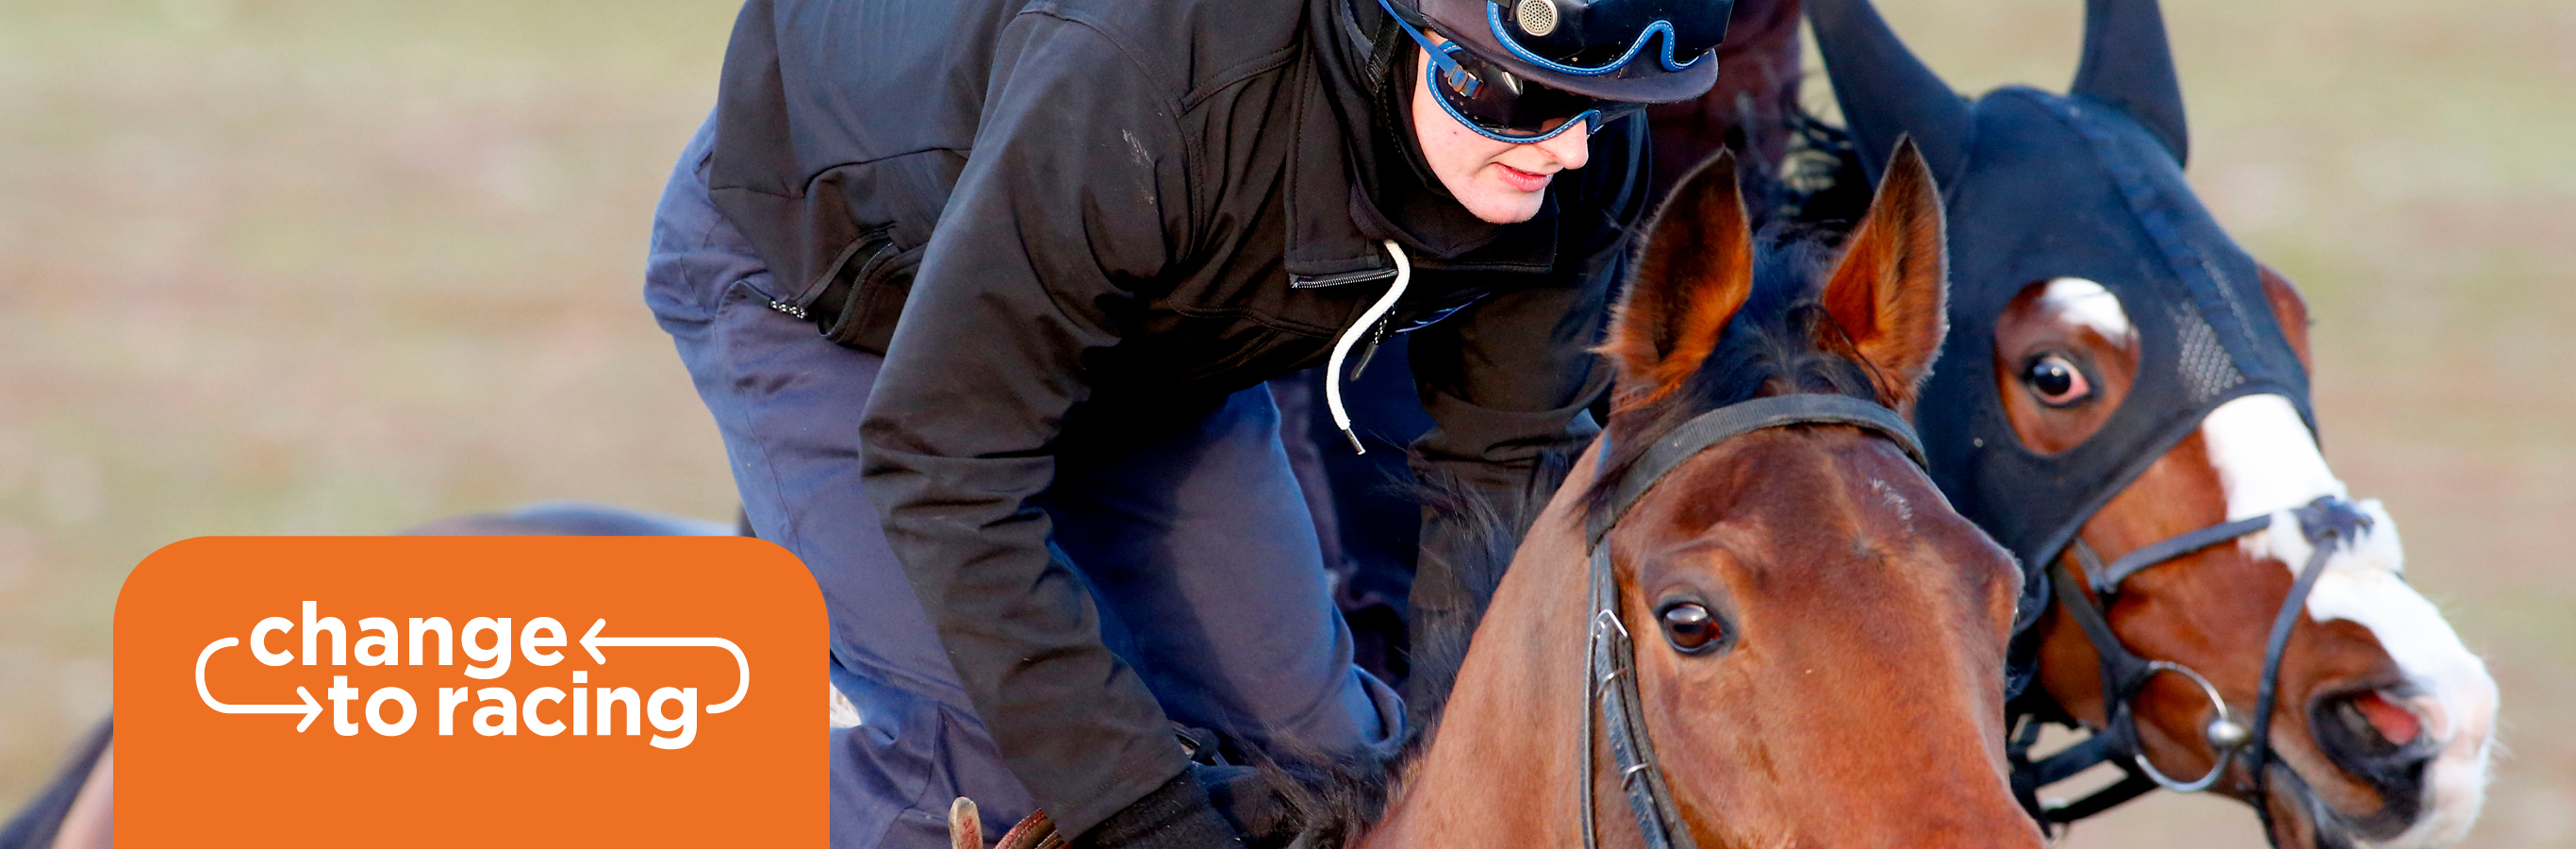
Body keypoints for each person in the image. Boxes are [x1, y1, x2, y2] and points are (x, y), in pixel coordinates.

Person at [643, 0, 1729, 845]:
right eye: (1513, 103)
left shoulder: (1574, 166)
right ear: (1384, 31)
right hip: (835, 299)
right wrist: (1146, 814)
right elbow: (946, 464)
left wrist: (1445, 776)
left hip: (1142, 342)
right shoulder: (1148, 85)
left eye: (1601, 106)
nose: (1563, 152)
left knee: (1330, 762)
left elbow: (1498, 468)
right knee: (986, 777)